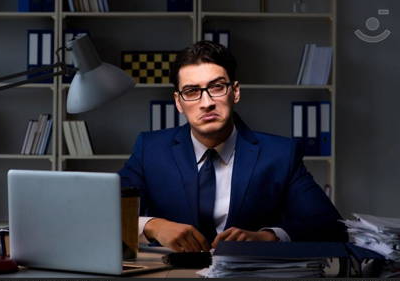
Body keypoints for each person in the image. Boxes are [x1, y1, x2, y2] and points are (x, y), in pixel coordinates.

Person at [119, 41, 347, 252]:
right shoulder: (150, 149)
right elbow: (103, 211)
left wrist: (268, 237)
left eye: (217, 87)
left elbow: (330, 227)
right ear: (178, 102)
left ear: (235, 92)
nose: (207, 103)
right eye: (192, 92)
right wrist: (154, 226)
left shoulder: (280, 154)